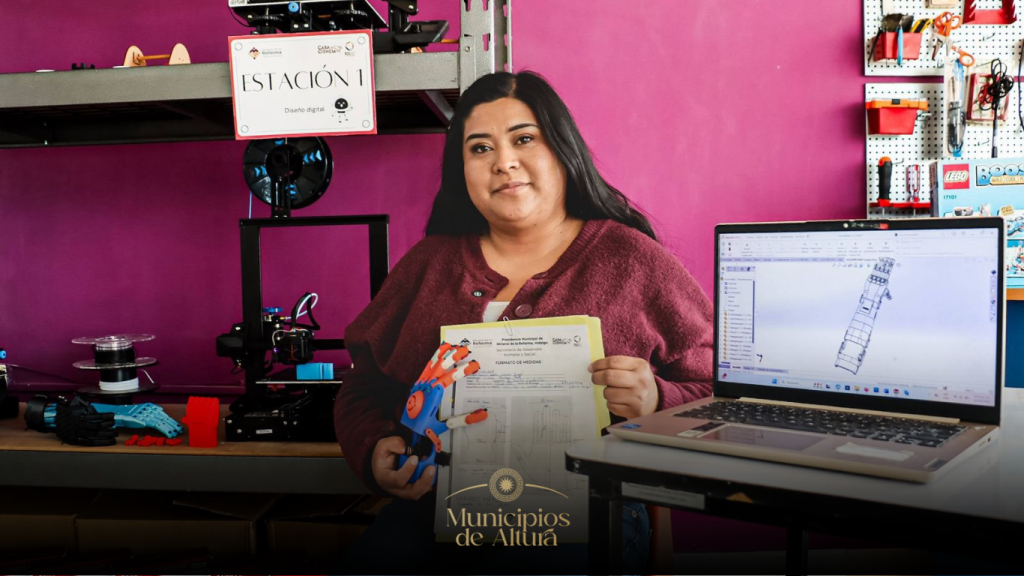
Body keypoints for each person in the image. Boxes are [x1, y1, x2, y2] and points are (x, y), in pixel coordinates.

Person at [334, 70, 713, 573]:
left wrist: (657, 401)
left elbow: (721, 393)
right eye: (480, 148)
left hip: (586, 511)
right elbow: (363, 387)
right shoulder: (428, 264)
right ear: (462, 170)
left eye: (524, 139)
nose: (504, 162)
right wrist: (374, 447)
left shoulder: (633, 260)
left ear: (561, 149)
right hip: (437, 508)